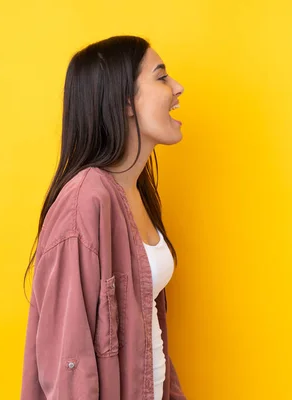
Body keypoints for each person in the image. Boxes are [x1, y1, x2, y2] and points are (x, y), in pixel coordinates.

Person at [20, 35, 187, 400]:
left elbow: (146, 335)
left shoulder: (135, 190)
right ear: (125, 101)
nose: (178, 88)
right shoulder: (86, 201)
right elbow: (69, 366)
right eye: (161, 77)